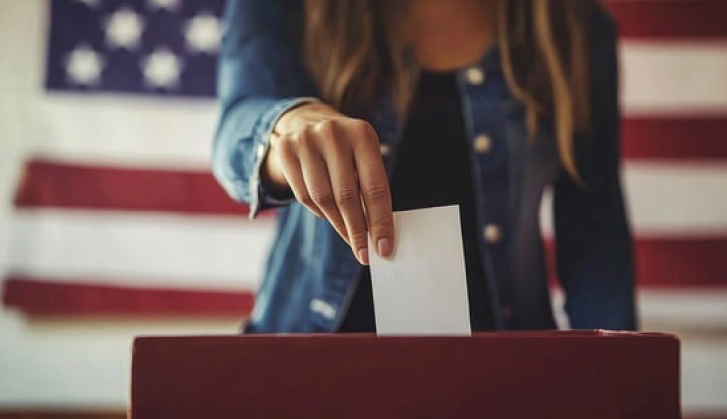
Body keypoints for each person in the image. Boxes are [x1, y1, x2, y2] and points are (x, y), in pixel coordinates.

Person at [212, 0, 636, 333]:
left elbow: (596, 240)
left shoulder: (574, 27)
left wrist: (614, 388)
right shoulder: (288, 6)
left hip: (504, 381)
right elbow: (236, 131)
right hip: (310, 370)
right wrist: (285, 126)